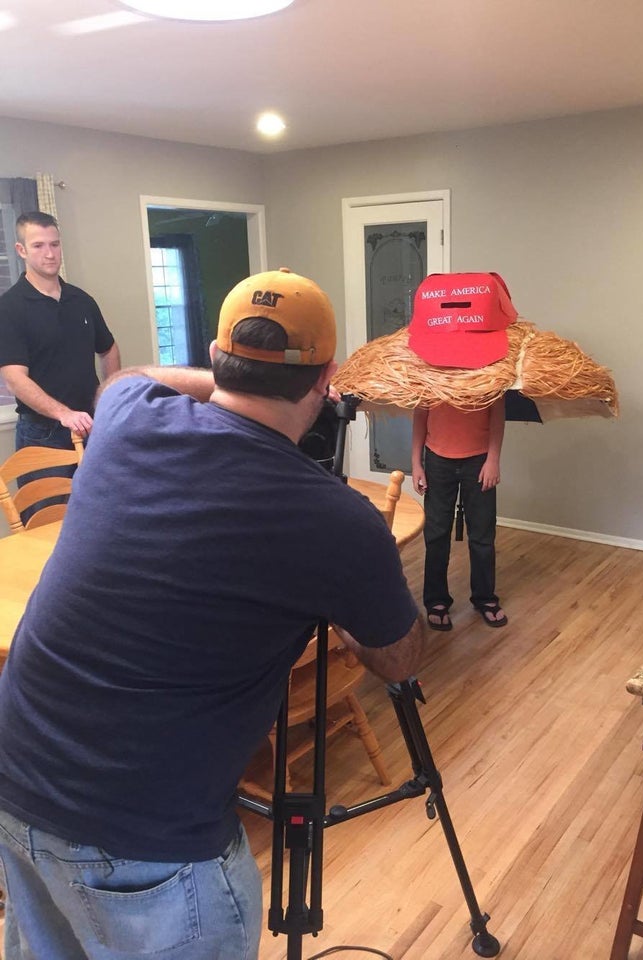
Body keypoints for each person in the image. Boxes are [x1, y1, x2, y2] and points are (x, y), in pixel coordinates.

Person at [0, 267, 425, 960]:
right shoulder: (335, 521)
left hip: (15, 776)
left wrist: (226, 381)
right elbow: (401, 658)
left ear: (216, 353)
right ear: (326, 379)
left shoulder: (128, 417)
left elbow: (124, 375)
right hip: (146, 838)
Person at [0, 211, 120, 455]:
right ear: (21, 250)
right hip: (42, 433)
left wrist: (110, 396)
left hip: (91, 425)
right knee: (47, 495)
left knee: (97, 494)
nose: (50, 253)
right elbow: (15, 379)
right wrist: (64, 414)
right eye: (38, 246)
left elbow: (108, 348)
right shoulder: (9, 307)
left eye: (54, 244)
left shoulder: (82, 300)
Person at [412, 400, 508, 632]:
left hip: (479, 458)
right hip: (437, 459)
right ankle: (436, 600)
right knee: (436, 534)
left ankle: (484, 596)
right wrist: (416, 464)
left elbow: (497, 413)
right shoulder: (430, 372)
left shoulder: (488, 370)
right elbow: (420, 415)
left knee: (483, 533)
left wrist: (493, 459)